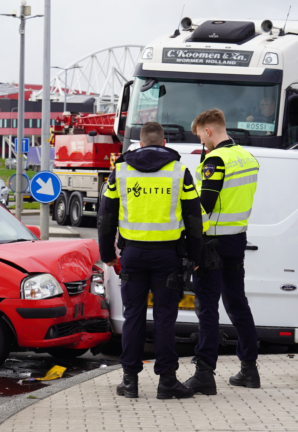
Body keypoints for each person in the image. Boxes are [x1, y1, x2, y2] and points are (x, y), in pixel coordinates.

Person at [98, 122, 204, 400]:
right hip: (167, 256)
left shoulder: (120, 171)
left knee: (133, 317)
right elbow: (194, 218)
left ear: (141, 143)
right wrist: (195, 255)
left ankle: (129, 382)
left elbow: (106, 216)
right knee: (165, 319)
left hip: (132, 255)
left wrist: (107, 254)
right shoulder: (179, 171)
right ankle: (167, 381)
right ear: (165, 142)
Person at [185, 108, 261, 395]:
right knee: (237, 304)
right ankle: (249, 370)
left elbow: (204, 204)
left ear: (208, 130)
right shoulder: (247, 157)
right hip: (236, 240)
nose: (203, 145)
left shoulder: (216, 160)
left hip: (212, 243)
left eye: (201, 139)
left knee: (207, 308)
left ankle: (204, 373)